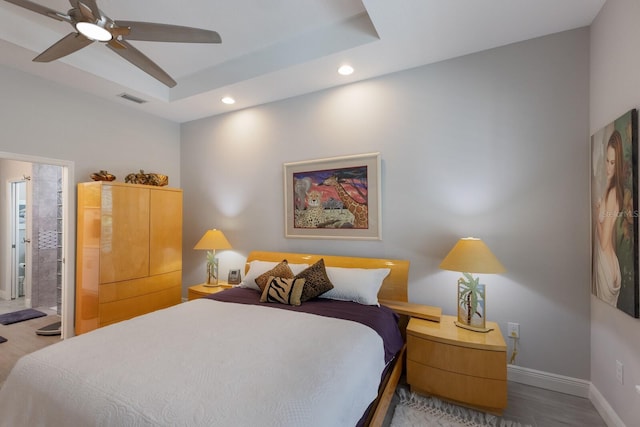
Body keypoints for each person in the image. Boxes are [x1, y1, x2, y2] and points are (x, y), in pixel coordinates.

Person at [594, 130, 623, 306]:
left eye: (613, 163)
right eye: (607, 160)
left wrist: (597, 215)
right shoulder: (609, 187)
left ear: (618, 164)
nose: (609, 167)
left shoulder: (612, 193)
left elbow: (604, 242)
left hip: (606, 265)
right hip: (608, 263)